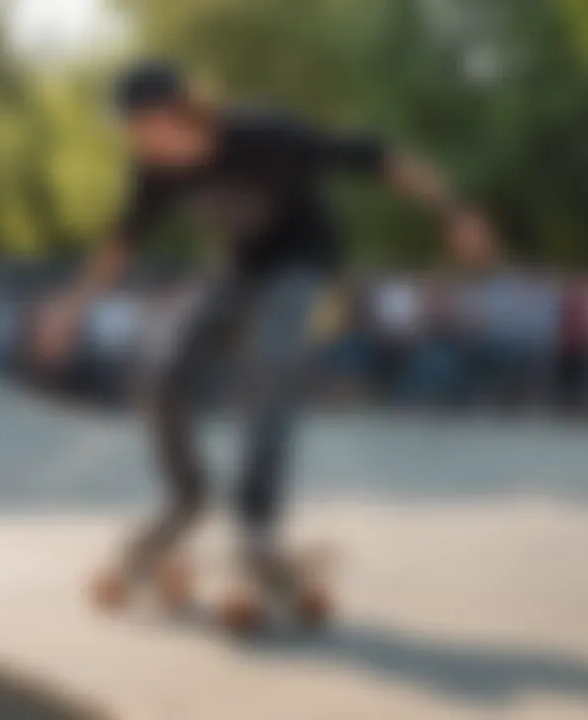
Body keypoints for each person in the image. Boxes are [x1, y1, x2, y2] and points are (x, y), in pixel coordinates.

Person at [32, 61, 496, 621]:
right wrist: (70, 307)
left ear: (176, 114)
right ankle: (187, 499)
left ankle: (255, 521)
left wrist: (457, 212)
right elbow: (121, 243)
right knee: (161, 368)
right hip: (238, 268)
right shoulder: (153, 171)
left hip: (305, 264)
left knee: (270, 360)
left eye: (140, 128)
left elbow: (378, 157)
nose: (135, 143)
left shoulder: (267, 137)